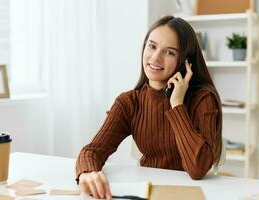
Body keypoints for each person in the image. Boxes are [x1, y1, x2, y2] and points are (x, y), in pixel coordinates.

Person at [76, 15, 222, 200]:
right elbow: (92, 150)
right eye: (152, 46)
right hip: (149, 192)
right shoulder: (129, 102)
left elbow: (198, 168)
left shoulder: (203, 99)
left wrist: (176, 104)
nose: (155, 57)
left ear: (185, 62)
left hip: (191, 194)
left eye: (169, 52)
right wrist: (87, 173)